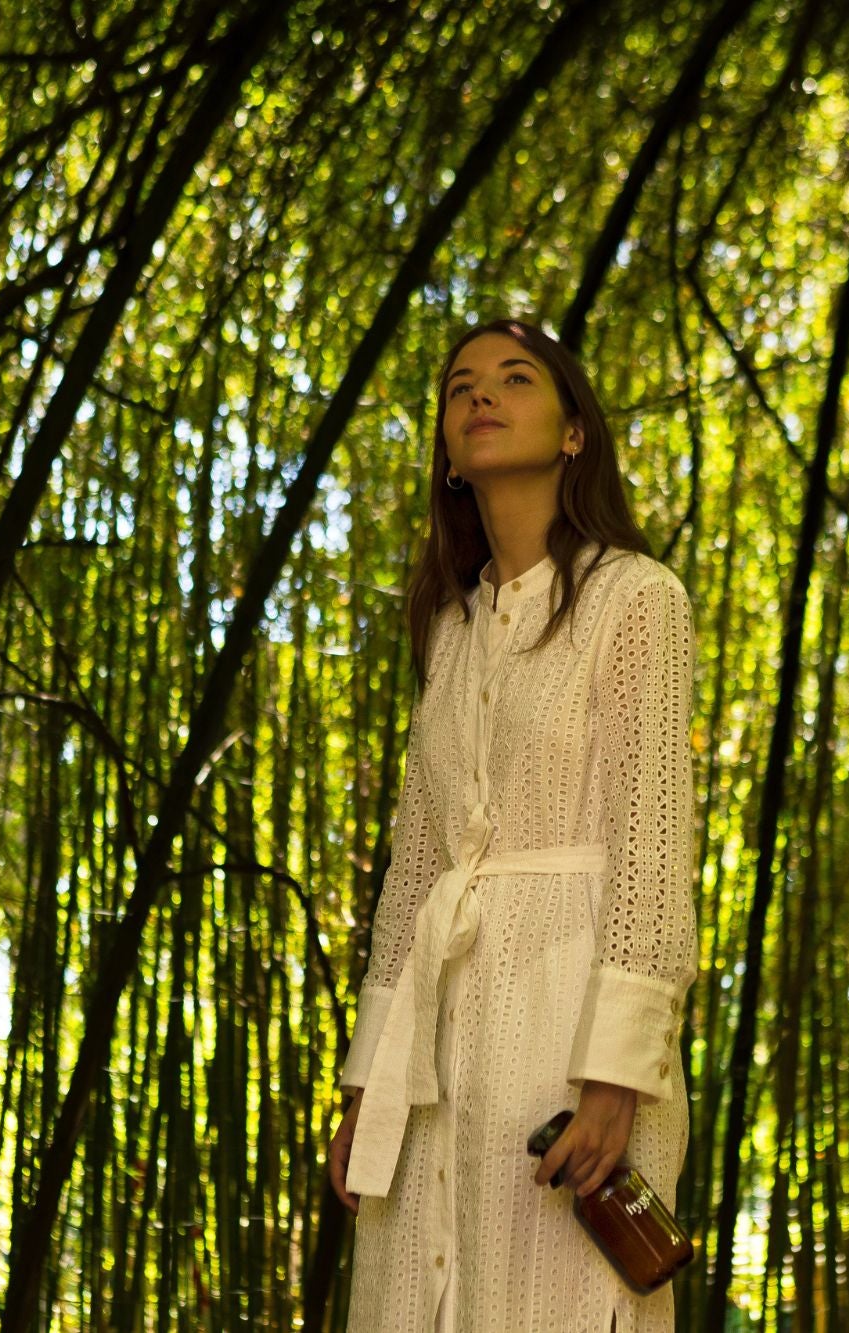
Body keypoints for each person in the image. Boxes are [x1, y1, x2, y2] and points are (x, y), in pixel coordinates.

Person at [326, 317, 700, 1331]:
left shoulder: (636, 599)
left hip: (566, 1028)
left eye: (514, 378)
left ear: (574, 431)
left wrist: (617, 1077)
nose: (479, 395)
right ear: (447, 452)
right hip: (437, 1043)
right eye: (458, 387)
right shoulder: (448, 629)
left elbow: (654, 854)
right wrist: (368, 1081)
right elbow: (414, 869)